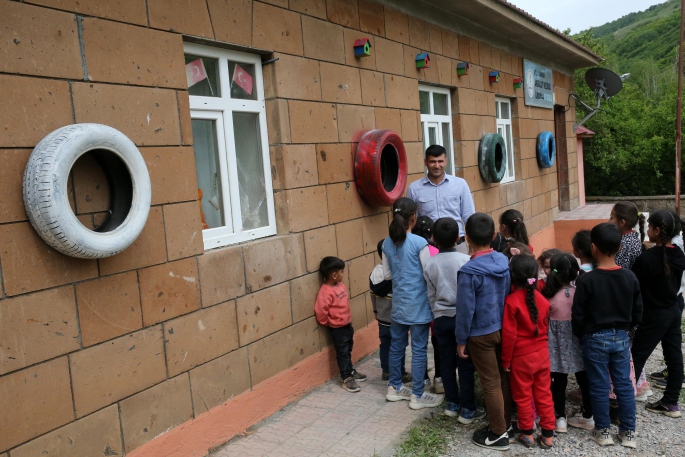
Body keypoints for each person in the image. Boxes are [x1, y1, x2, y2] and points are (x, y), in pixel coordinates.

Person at [572, 223, 642, 449]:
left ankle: (603, 431)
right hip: (621, 337)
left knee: (599, 385)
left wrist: (581, 333)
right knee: (624, 384)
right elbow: (638, 312)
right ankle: (628, 432)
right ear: (620, 247)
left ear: (593, 248)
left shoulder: (587, 279)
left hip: (594, 338)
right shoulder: (629, 276)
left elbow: (578, 314)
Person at [455, 213, 513, 450]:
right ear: (494, 235)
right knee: (503, 378)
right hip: (503, 328)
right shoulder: (503, 261)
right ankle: (506, 423)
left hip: (480, 334)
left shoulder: (469, 272)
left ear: (466, 237)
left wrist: (461, 340)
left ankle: (498, 433)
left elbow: (465, 310)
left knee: (490, 383)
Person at [383, 197, 444, 409]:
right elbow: (429, 273)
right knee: (419, 348)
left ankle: (395, 387)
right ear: (414, 218)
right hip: (418, 305)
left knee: (396, 346)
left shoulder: (386, 243)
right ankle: (417, 395)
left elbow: (387, 275)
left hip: (399, 304)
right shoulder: (420, 243)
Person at [423, 218, 482, 421]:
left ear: (433, 239)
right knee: (465, 363)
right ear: (458, 238)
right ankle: (467, 408)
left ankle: (452, 403)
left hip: (441, 319)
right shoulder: (466, 260)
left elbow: (431, 294)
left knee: (446, 362)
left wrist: (436, 313)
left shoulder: (430, 263)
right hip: (463, 319)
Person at [631, 210, 684, 418]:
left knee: (637, 357)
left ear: (656, 230)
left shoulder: (647, 259)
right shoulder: (678, 254)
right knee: (674, 356)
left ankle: (621, 403)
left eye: (650, 227)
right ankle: (671, 402)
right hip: (673, 309)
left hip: (653, 315)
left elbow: (635, 286)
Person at [501, 255, 555, 449]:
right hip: (542, 355)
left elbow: (508, 336)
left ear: (512, 276)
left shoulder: (511, 301)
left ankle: (527, 434)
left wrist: (506, 361)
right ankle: (548, 435)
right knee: (544, 394)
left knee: (523, 396)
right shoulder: (543, 300)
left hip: (521, 358)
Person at [542, 253, 593, 434]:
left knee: (559, 379)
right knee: (583, 377)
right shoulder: (580, 292)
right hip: (578, 338)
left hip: (556, 343)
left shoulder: (548, 295)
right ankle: (589, 414)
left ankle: (560, 417)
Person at [406, 145, 475, 254]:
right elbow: (410, 221)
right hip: (427, 248)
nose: (437, 165)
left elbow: (469, 217)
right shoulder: (414, 188)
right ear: (425, 162)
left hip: (458, 247)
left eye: (440, 161)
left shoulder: (460, 184)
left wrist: (473, 246)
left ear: (446, 161)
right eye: (432, 161)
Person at [315, 256, 367, 393]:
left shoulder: (341, 286)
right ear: (334, 275)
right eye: (341, 272)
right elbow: (320, 311)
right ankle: (346, 377)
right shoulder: (325, 292)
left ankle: (350, 370)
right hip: (337, 329)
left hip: (347, 325)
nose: (343, 274)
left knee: (348, 348)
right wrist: (328, 322)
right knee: (342, 352)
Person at [369, 240, 411, 384]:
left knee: (385, 345)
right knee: (398, 346)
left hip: (382, 318)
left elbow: (372, 295)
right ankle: (400, 372)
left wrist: (376, 311)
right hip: (396, 319)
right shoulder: (396, 272)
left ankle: (386, 371)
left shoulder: (375, 273)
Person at [412, 215, 441, 391]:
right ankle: (439, 378)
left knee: (419, 343)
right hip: (435, 306)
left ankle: (422, 378)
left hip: (418, 304)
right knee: (437, 343)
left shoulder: (410, 249)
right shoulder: (436, 253)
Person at [609, 202, 645, 270]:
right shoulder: (632, 239)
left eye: (611, 218)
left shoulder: (624, 245)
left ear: (622, 222)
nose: (609, 221)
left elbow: (618, 272)